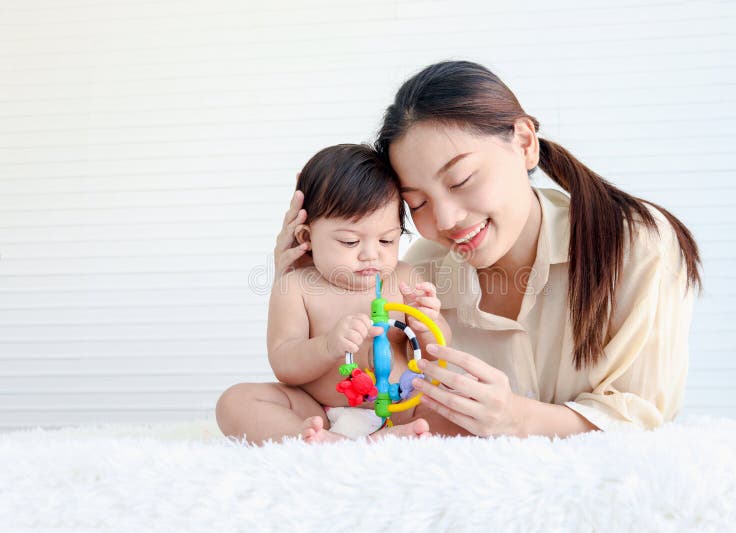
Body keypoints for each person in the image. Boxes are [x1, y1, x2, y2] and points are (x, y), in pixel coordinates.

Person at [273, 61, 702, 439]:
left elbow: (644, 420)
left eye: (460, 180)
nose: (444, 219)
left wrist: (519, 418)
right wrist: (297, 278)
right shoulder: (416, 272)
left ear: (524, 143)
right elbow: (355, 385)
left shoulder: (636, 247)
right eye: (417, 203)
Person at [215, 144, 451, 443]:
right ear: (307, 237)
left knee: (456, 401)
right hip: (320, 410)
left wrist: (428, 323)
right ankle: (315, 438)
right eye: (350, 242)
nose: (371, 255)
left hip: (399, 406)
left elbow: (437, 352)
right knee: (235, 402)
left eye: (387, 240)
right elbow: (284, 363)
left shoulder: (403, 277)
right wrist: (328, 346)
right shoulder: (296, 287)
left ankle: (391, 435)